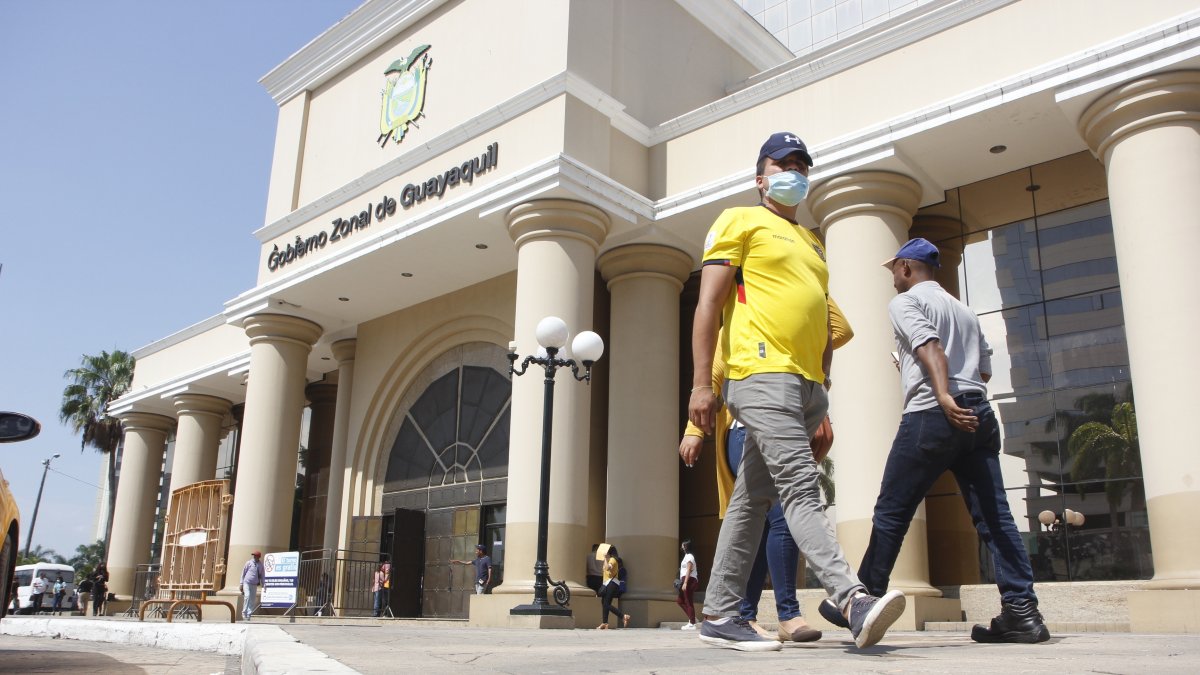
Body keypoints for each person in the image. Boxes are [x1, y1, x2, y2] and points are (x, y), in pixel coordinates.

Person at [684, 131, 905, 652]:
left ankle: (717, 613)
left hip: (804, 387)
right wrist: (700, 386)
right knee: (802, 487)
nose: (794, 171)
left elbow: (825, 319)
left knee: (753, 497)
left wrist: (821, 384)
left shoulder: (812, 241)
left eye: (802, 164)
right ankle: (852, 600)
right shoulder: (738, 221)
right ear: (761, 177)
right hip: (759, 377)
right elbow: (708, 306)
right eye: (782, 163)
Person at [819, 238, 1050, 644]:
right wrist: (951, 390)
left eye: (894, 269)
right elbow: (982, 373)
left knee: (892, 510)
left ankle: (863, 600)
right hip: (977, 413)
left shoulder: (905, 303)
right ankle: (1022, 611)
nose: (892, 277)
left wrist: (942, 395)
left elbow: (930, 347)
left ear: (907, 268)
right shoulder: (965, 311)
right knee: (995, 519)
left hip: (933, 414)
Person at [681, 303, 851, 643]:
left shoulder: (790, 296)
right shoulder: (742, 307)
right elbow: (716, 367)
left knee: (768, 516)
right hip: (744, 429)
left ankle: (757, 613)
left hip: (791, 413)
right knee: (772, 512)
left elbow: (837, 326)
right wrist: (695, 430)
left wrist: (818, 386)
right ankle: (785, 610)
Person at [597, 546, 629, 630]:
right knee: (604, 603)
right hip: (608, 584)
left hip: (611, 584)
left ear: (609, 552)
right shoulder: (610, 560)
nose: (605, 553)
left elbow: (607, 568)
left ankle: (623, 616)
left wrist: (604, 559)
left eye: (606, 552)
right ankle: (605, 623)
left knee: (606, 604)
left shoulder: (612, 560)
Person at [676, 540, 699, 630]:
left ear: (685, 546)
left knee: (688, 601)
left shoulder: (689, 556)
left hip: (689, 580)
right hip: (685, 579)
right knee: (679, 601)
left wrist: (685, 582)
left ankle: (692, 623)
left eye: (682, 545)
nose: (681, 547)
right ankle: (692, 617)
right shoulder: (686, 556)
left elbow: (689, 569)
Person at [239, 550, 264, 621]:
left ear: (258, 557)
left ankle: (249, 614)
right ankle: (244, 612)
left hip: (254, 584)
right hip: (247, 582)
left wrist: (263, 584)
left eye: (256, 555)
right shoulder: (248, 563)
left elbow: (262, 575)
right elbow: (243, 573)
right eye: (254, 555)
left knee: (252, 599)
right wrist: (241, 583)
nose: (254, 557)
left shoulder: (260, 565)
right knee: (247, 596)